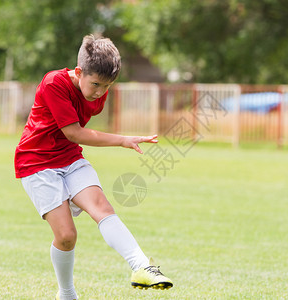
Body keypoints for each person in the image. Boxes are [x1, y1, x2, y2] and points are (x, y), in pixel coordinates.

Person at [14, 34, 173, 300]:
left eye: (107, 85)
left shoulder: (99, 89)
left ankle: (142, 266)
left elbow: (74, 138)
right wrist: (123, 140)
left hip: (69, 158)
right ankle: (66, 294)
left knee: (102, 207)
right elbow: (74, 133)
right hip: (36, 161)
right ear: (78, 72)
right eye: (96, 84)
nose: (100, 92)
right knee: (66, 236)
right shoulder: (54, 83)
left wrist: (101, 89)